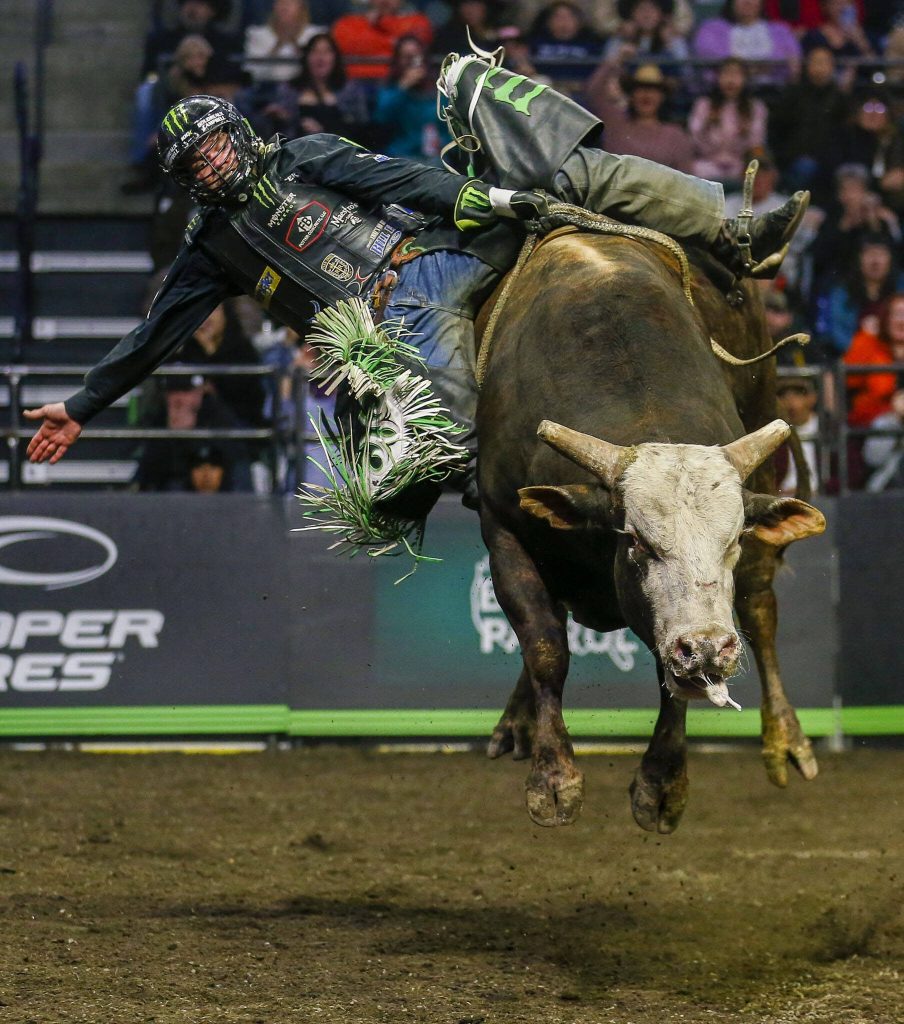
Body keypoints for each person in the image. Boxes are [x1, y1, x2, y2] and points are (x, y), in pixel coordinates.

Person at [24, 79, 809, 515]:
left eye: (217, 145)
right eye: (195, 163)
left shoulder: (305, 153)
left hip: (439, 247)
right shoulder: (208, 248)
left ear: (239, 132)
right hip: (385, 322)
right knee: (448, 432)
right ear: (185, 180)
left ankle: (732, 230)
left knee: (573, 174)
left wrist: (491, 201)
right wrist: (85, 404)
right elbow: (156, 334)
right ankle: (473, 488)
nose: (212, 165)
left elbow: (397, 179)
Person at [584, 60, 695, 173]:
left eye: (653, 90)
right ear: (631, 95)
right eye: (640, 89)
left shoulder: (675, 135)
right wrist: (619, 59)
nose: (646, 95)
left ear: (662, 97)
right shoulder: (616, 123)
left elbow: (688, 178)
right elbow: (594, 93)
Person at [688, 57, 767, 188]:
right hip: (709, 164)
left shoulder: (756, 108)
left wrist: (746, 133)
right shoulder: (703, 105)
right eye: (726, 74)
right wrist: (707, 126)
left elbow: (757, 145)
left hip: (740, 164)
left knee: (755, 173)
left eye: (736, 74)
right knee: (696, 170)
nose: (731, 80)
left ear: (745, 79)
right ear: (717, 78)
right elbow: (694, 141)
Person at [372, 35, 441, 162]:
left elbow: (449, 129)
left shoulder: (438, 90)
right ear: (398, 61)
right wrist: (403, 86)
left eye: (416, 56)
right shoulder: (390, 89)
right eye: (407, 57)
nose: (413, 62)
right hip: (400, 155)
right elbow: (381, 118)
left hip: (434, 157)